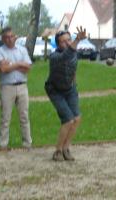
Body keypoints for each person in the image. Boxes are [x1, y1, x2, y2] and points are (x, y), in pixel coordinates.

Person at [45, 26, 86, 161]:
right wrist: (77, 40)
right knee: (68, 120)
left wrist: (74, 85)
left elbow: (73, 68)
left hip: (70, 89)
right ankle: (57, 151)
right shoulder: (55, 57)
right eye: (64, 41)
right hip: (55, 90)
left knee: (77, 118)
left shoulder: (74, 54)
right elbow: (66, 55)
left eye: (69, 39)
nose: (68, 43)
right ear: (58, 44)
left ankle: (66, 148)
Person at [0, 27, 32, 148]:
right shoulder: (0, 51)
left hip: (22, 86)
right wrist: (19, 64)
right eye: (7, 37)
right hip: (7, 87)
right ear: (3, 39)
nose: (10, 39)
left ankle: (27, 143)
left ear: (15, 37)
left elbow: (27, 68)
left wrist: (11, 65)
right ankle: (3, 144)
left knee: (24, 116)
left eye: (11, 36)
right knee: (5, 117)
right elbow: (3, 69)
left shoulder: (22, 50)